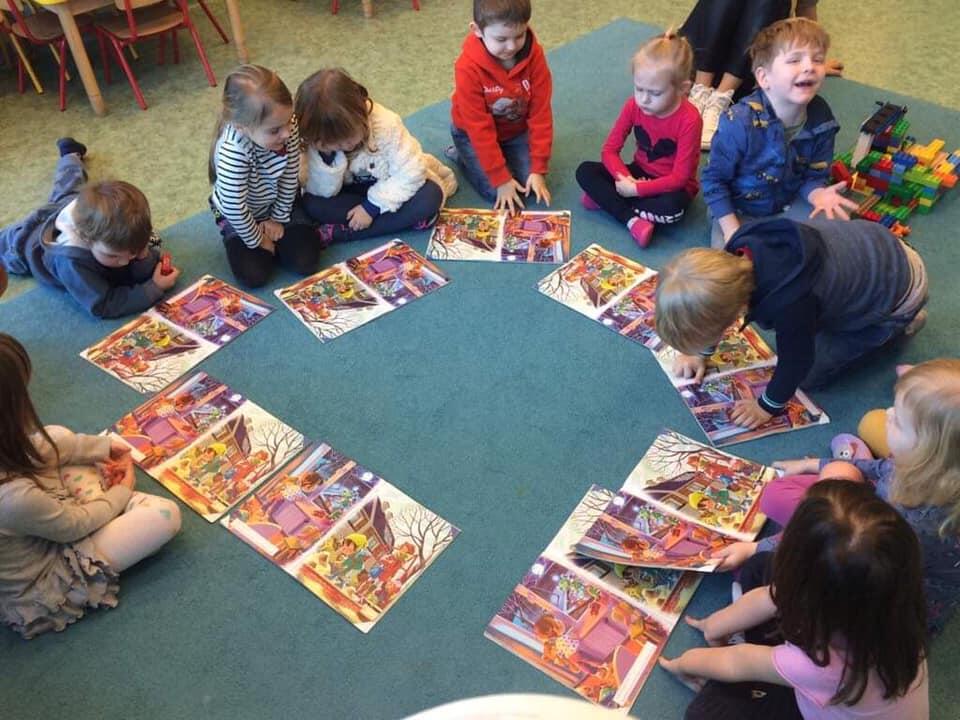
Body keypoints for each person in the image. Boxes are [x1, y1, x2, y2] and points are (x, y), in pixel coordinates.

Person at [718, 359, 960, 637]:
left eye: (900, 421)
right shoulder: (930, 469)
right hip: (872, 520)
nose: (889, 412)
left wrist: (757, 548)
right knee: (865, 429)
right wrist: (814, 464)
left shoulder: (914, 524)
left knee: (765, 571)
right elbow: (882, 468)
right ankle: (852, 461)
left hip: (875, 591)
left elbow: (839, 543)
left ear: (927, 453)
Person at [661, 480, 929, 720]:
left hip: (817, 690)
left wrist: (684, 663)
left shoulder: (822, 666)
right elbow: (772, 596)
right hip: (831, 670)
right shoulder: (896, 608)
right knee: (760, 567)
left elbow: (737, 661)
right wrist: (716, 624)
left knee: (705, 713)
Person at [654, 217, 928, 428]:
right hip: (879, 246)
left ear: (736, 313)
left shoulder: (789, 304)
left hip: (899, 291)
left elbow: (796, 363)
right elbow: (715, 309)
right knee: (807, 326)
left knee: (807, 375)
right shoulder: (735, 253)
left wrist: (766, 407)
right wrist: (699, 352)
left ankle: (899, 323)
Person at [0, 333, 181, 639]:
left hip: (38, 513)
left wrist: (101, 447)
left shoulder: (10, 457)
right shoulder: (13, 499)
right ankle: (111, 508)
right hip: (48, 577)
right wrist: (122, 491)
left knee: (57, 436)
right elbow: (74, 526)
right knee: (165, 516)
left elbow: (35, 449)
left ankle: (102, 504)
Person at [700, 17, 857, 247]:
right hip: (739, 210)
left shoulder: (822, 117)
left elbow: (813, 175)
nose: (809, 67)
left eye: (818, 59)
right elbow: (714, 181)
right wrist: (732, 228)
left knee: (836, 225)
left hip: (790, 202)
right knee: (734, 258)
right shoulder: (739, 122)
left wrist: (818, 195)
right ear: (764, 77)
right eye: (794, 60)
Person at [0, 139, 179, 318]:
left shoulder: (121, 234)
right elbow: (103, 304)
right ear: (87, 239)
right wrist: (153, 288)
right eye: (112, 256)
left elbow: (137, 264)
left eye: (132, 253)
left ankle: (70, 155)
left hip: (68, 204)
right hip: (24, 244)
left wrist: (143, 255)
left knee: (71, 184)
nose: (125, 262)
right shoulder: (72, 262)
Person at [295, 68, 457, 243]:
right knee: (312, 204)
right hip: (350, 193)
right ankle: (402, 221)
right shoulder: (318, 138)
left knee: (430, 196)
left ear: (362, 113)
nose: (345, 146)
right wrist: (327, 156)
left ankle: (342, 233)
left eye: (347, 138)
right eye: (334, 143)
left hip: (389, 185)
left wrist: (371, 208)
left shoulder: (386, 124)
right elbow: (321, 191)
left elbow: (411, 172)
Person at [575, 30, 702, 249]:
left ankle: (609, 201)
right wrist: (626, 179)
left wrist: (637, 190)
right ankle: (632, 220)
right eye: (638, 89)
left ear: (683, 89)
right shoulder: (633, 106)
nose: (644, 99)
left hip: (670, 187)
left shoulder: (690, 120)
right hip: (637, 173)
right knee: (585, 171)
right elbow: (609, 151)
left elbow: (680, 178)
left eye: (655, 93)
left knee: (673, 210)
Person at [209, 65, 321, 288]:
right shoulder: (233, 152)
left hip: (279, 201)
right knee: (253, 276)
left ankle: (281, 237)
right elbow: (233, 206)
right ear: (241, 128)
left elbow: (290, 174)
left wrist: (278, 217)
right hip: (240, 213)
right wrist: (258, 239)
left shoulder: (286, 126)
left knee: (306, 262)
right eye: (274, 130)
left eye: (289, 121)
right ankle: (246, 237)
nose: (287, 133)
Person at [683, 0, 843, 150]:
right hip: (699, 58)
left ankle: (721, 97)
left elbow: (806, 7)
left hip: (747, 70)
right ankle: (699, 91)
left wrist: (812, 58)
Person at [448, 0, 553, 213]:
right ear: (477, 30)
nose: (512, 46)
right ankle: (461, 155)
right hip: (472, 134)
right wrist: (500, 179)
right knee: (495, 192)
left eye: (519, 36)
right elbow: (479, 129)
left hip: (514, 131)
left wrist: (538, 168)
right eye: (501, 39)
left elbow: (541, 114)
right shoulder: (467, 68)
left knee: (528, 188)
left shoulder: (535, 56)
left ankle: (500, 158)